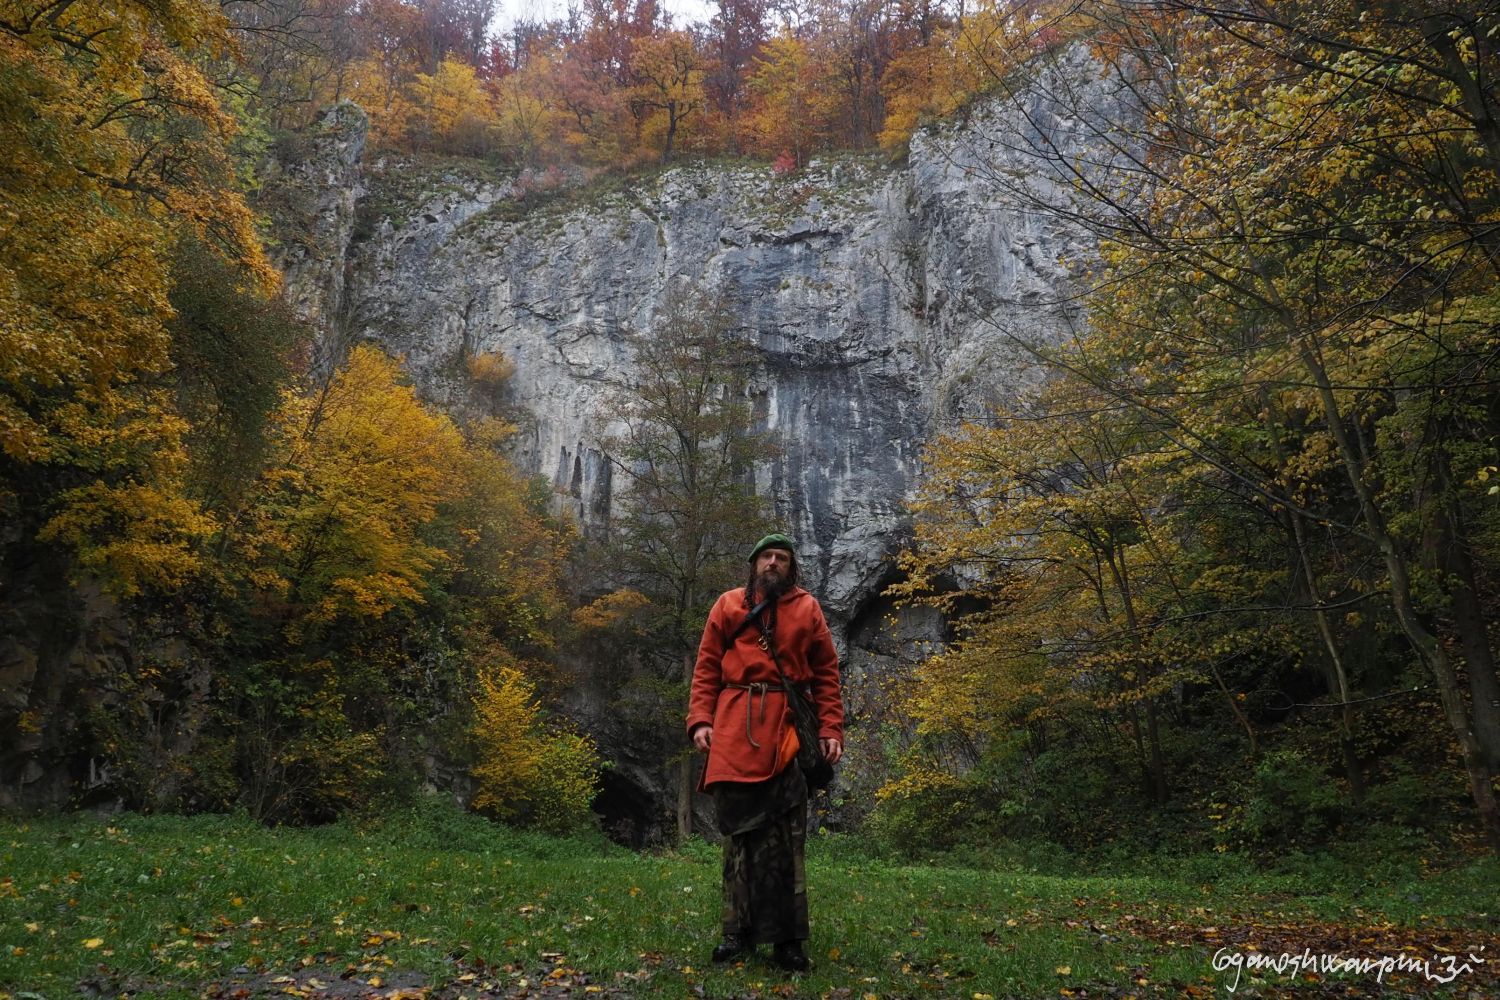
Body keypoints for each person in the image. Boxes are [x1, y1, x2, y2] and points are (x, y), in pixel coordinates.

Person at [686, 533, 844, 973]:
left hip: (786, 726)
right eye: (766, 557)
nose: (773, 563)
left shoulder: (807, 608)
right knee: (739, 836)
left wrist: (831, 727)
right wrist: (700, 719)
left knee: (787, 837)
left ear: (791, 567)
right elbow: (706, 666)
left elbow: (827, 674)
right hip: (734, 724)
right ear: (754, 564)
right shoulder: (727, 605)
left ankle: (787, 942)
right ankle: (736, 933)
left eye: (782, 558)